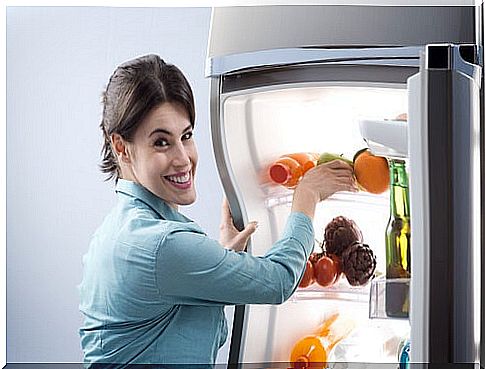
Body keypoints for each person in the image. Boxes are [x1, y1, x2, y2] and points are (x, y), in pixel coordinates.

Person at [78, 54, 357, 366]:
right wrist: (307, 195)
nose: (183, 158)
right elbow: (279, 281)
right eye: (161, 142)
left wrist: (221, 258)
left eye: (186, 136)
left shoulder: (119, 231)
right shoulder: (161, 245)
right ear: (121, 147)